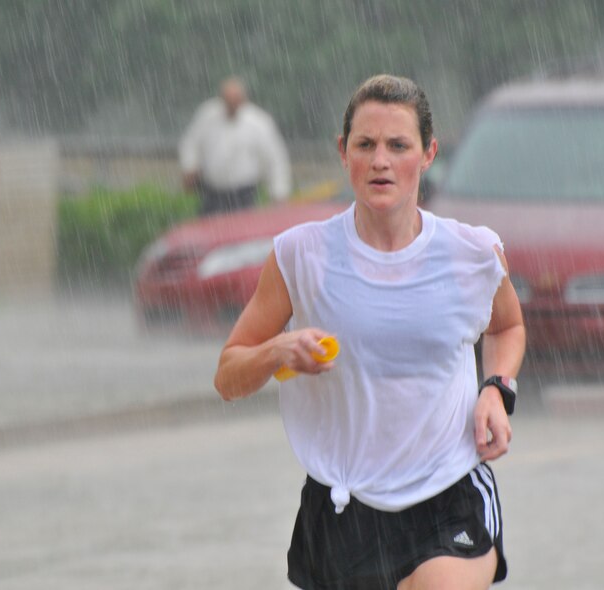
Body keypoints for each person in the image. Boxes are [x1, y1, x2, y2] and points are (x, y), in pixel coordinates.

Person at [214, 75, 525, 589]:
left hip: (447, 493)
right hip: (342, 509)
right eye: (366, 144)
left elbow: (508, 325)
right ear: (343, 152)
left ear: (427, 154)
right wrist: (278, 350)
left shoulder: (471, 253)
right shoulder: (301, 255)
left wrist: (497, 387)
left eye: (398, 145)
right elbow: (228, 376)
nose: (381, 160)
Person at [179, 76, 292, 215]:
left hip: (243, 194)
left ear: (243, 100)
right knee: (209, 232)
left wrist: (278, 193)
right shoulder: (207, 115)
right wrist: (190, 167)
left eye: (235, 101)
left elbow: (274, 159)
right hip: (212, 193)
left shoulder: (259, 123)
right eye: (227, 101)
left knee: (242, 234)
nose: (231, 106)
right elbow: (190, 143)